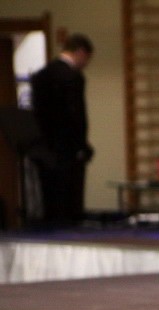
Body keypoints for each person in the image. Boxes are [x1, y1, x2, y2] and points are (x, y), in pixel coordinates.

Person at [30, 33, 94, 226]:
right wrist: (82, 145)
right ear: (80, 52)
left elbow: (38, 113)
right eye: (87, 59)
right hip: (68, 148)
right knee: (70, 200)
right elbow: (76, 115)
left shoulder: (41, 75)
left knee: (50, 199)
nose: (86, 64)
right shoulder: (72, 77)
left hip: (44, 146)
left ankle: (51, 233)